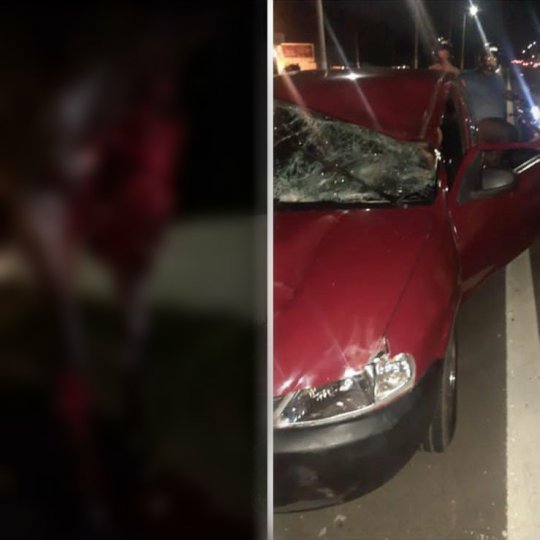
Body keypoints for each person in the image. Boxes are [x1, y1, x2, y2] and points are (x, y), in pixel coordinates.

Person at [460, 43, 507, 127]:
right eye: (488, 58)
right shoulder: (468, 77)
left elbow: (502, 94)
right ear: (482, 59)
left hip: (499, 127)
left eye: (494, 58)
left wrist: (515, 97)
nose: (492, 61)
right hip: (477, 129)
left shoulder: (499, 80)